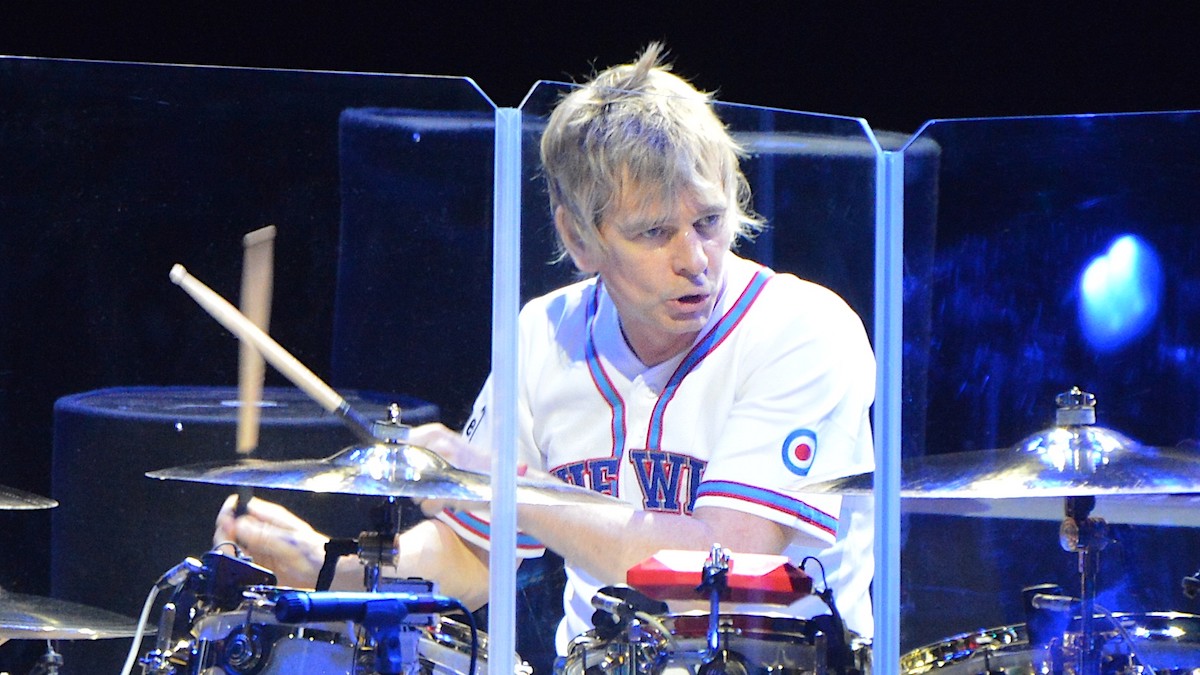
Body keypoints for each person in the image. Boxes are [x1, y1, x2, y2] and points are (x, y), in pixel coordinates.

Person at [215, 42, 876, 657]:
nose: (695, 259)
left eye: (709, 220)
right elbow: (475, 556)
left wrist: (499, 485)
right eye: (654, 232)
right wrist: (326, 572)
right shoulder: (543, 335)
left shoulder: (802, 330)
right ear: (579, 238)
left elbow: (722, 570)